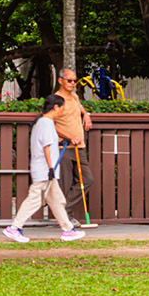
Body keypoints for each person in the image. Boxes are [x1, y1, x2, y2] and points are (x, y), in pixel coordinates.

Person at [4, 95, 84, 245]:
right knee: (34, 199)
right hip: (45, 170)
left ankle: (67, 230)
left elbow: (49, 142)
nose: (62, 111)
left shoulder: (42, 123)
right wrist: (50, 168)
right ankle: (15, 227)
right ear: (55, 108)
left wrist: (61, 142)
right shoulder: (46, 123)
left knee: (57, 201)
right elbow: (46, 146)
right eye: (61, 108)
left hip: (46, 170)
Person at [54, 67, 93, 227]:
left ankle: (62, 211)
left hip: (79, 146)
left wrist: (87, 115)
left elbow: (80, 109)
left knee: (87, 180)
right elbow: (49, 122)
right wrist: (69, 137)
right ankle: (65, 217)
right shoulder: (55, 100)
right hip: (64, 147)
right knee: (66, 183)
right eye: (69, 80)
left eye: (74, 80)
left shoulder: (75, 97)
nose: (72, 83)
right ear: (60, 81)